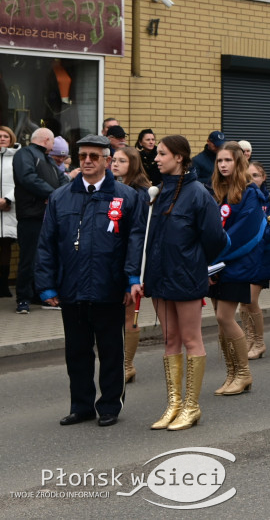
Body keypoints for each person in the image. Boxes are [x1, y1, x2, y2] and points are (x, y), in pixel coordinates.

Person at [36, 135, 145, 427]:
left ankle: (109, 405)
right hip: (71, 288)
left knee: (111, 351)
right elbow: (47, 243)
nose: (87, 161)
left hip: (109, 287)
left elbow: (135, 241)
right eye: (83, 155)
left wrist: (130, 280)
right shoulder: (61, 196)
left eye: (94, 156)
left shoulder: (126, 196)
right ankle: (81, 406)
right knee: (77, 352)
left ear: (107, 161)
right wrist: (46, 285)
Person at [146, 135, 227, 431]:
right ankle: (173, 404)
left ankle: (191, 406)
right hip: (159, 276)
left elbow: (215, 238)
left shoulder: (199, 193)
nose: (156, 159)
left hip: (186, 276)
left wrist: (194, 261)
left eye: (162, 154)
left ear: (179, 157)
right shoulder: (157, 192)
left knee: (191, 339)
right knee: (170, 340)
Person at [210, 141, 265, 396]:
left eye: (228, 161)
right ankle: (231, 373)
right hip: (215, 266)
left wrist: (215, 256)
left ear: (238, 162)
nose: (223, 165)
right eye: (219, 161)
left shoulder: (250, 193)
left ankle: (243, 373)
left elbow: (243, 233)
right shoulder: (216, 191)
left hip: (236, 264)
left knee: (225, 317)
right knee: (221, 322)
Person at [110, 146, 153, 383]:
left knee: (129, 314)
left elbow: (140, 233)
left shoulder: (141, 192)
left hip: (134, 260)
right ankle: (120, 362)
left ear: (133, 164)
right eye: (114, 160)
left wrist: (135, 273)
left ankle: (127, 365)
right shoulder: (115, 189)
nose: (115, 164)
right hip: (114, 259)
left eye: (121, 161)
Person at [13, 128, 68, 313]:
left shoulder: (48, 160)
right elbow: (27, 177)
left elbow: (63, 181)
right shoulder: (25, 154)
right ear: (47, 140)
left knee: (45, 258)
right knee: (29, 258)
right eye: (53, 143)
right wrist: (52, 194)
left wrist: (56, 196)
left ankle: (41, 295)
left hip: (48, 216)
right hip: (31, 216)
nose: (53, 147)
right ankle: (23, 299)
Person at [242, 161, 270, 360]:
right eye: (248, 177)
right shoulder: (240, 198)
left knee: (251, 299)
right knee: (242, 300)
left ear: (264, 177)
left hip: (260, 258)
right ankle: (248, 339)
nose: (251, 180)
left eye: (255, 176)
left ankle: (259, 342)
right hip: (242, 259)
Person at [0, 125, 20, 298]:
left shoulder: (17, 158)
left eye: (5, 136)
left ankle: (3, 285)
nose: (2, 138)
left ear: (11, 138)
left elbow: (19, 183)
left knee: (5, 247)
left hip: (8, 208)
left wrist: (7, 199)